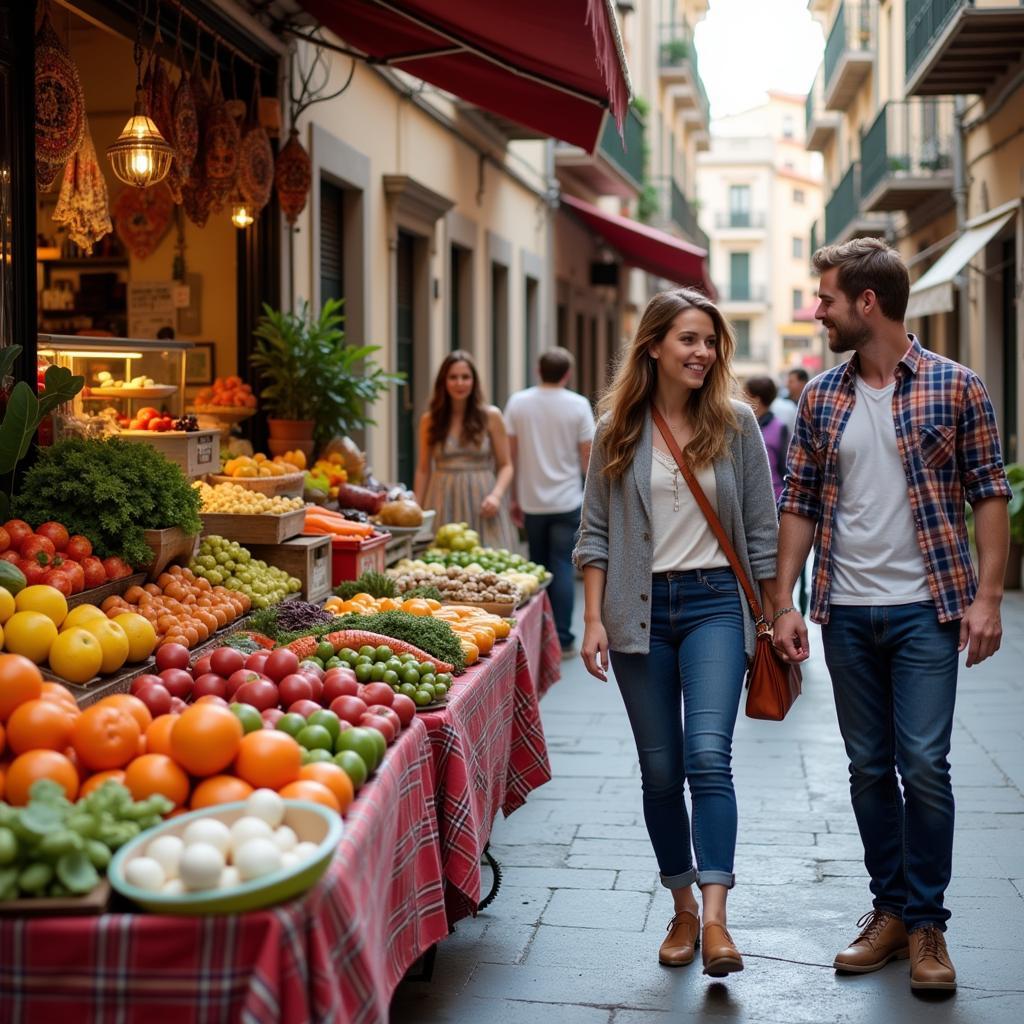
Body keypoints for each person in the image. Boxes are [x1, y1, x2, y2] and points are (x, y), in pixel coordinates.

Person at [772, 238, 1012, 994]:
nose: (819, 311)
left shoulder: (957, 387)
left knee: (924, 767)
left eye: (827, 298)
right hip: (845, 611)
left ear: (866, 304)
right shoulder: (820, 396)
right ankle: (890, 912)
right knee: (869, 767)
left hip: (926, 612)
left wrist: (988, 598)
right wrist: (781, 601)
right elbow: (800, 503)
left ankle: (929, 922)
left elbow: (989, 493)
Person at [573, 288, 779, 976]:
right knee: (660, 772)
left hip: (718, 603)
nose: (703, 352)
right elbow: (594, 532)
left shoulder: (738, 424)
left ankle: (717, 922)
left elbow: (761, 528)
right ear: (654, 346)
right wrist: (595, 618)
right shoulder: (617, 429)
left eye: (711, 341)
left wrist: (777, 611)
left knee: (706, 758)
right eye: (689, 339)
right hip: (640, 610)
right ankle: (682, 907)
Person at [504, 347, 595, 658]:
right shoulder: (578, 405)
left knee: (537, 568)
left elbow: (511, 455)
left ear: (537, 370)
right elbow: (588, 456)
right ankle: (564, 638)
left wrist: (514, 497)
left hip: (531, 501)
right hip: (568, 499)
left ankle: (538, 638)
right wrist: (591, 496)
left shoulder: (518, 403)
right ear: (567, 374)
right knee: (561, 568)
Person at [414, 350, 518, 551]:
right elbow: (423, 469)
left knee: (490, 560)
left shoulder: (491, 416)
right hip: (441, 498)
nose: (459, 383)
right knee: (441, 561)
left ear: (474, 381)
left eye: (465, 377)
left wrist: (496, 496)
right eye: (453, 377)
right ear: (443, 381)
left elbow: (506, 465)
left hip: (482, 499)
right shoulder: (430, 420)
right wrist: (417, 508)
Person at [745, 375, 789, 501]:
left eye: (745, 395)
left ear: (756, 400)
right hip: (749, 496)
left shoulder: (780, 428)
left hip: (773, 497)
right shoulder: (741, 425)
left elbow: (785, 468)